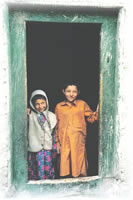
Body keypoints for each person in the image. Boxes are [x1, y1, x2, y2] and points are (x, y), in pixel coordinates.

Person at [55, 83, 99, 178]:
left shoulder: (82, 104)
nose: (71, 94)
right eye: (68, 91)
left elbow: (92, 118)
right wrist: (57, 142)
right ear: (63, 91)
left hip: (78, 141)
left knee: (79, 165)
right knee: (65, 165)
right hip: (64, 141)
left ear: (78, 92)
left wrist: (99, 110)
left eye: (74, 91)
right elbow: (56, 126)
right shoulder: (59, 107)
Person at [27, 90, 57, 180]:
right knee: (37, 170)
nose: (40, 106)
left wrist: (55, 147)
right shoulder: (29, 115)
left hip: (48, 149)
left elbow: (54, 133)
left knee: (48, 168)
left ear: (46, 102)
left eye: (42, 103)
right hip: (35, 149)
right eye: (37, 104)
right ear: (32, 104)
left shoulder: (52, 116)